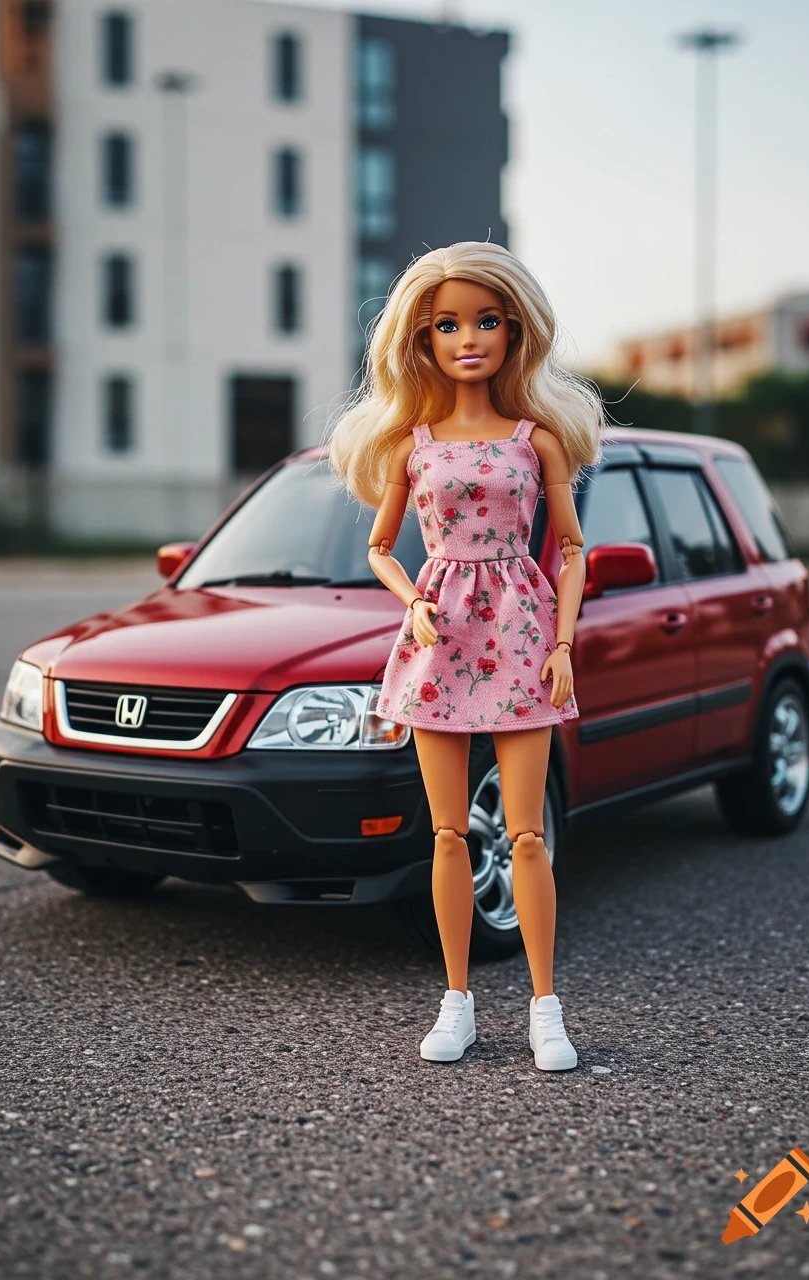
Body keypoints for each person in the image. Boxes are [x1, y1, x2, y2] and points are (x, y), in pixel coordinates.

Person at [326, 242, 604, 1070]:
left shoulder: (537, 441)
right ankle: (458, 1001)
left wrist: (562, 642)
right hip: (440, 637)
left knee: (526, 836)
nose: (468, 339)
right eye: (448, 324)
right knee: (448, 833)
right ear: (424, 340)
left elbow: (574, 551)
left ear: (515, 331)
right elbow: (379, 547)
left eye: (486, 321)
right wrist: (410, 600)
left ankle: (546, 1008)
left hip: (519, 635)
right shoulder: (412, 447)